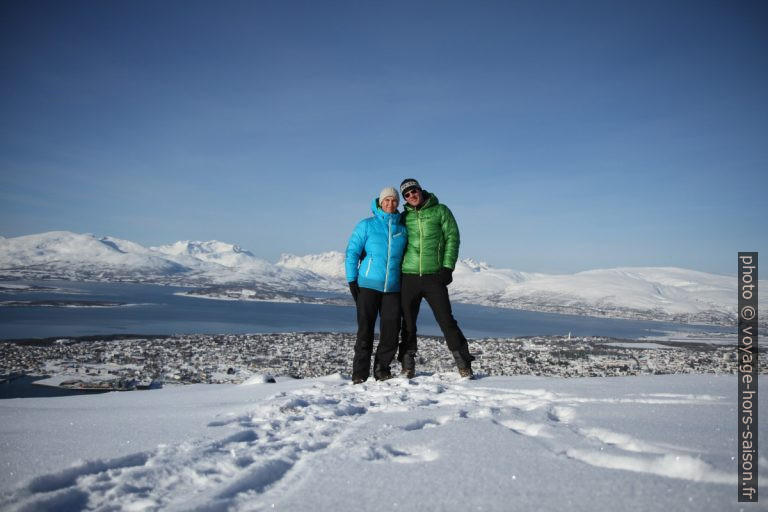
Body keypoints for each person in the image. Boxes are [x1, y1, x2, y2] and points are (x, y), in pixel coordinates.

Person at [397, 178, 475, 378]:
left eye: (414, 191)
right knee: (407, 323)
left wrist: (447, 267)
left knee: (446, 320)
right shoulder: (403, 217)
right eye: (406, 194)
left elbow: (452, 237)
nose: (411, 196)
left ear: (420, 191)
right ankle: (407, 364)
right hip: (408, 276)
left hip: (434, 276)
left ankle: (463, 363)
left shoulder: (441, 210)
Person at [345, 187, 408, 384]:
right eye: (387, 200)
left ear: (398, 203)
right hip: (368, 286)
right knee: (365, 331)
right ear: (380, 202)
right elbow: (352, 252)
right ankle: (359, 374)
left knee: (390, 332)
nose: (390, 204)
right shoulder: (366, 225)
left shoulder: (402, 229)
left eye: (394, 200)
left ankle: (382, 369)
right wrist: (352, 280)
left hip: (393, 288)